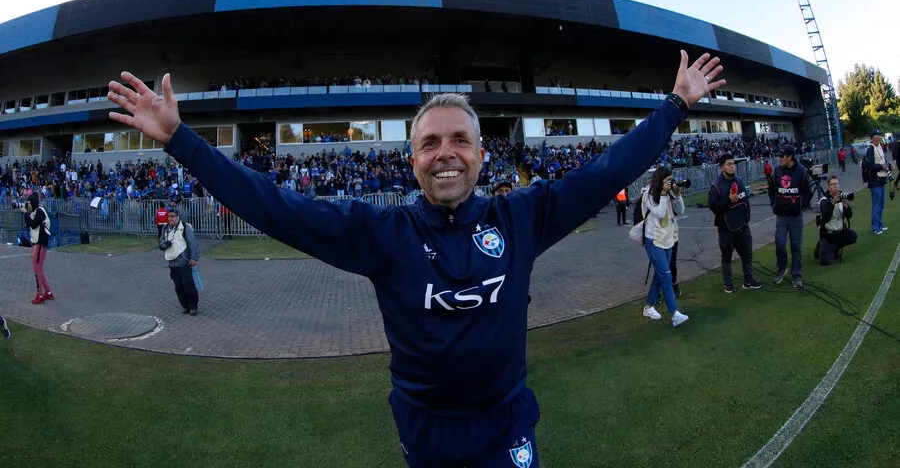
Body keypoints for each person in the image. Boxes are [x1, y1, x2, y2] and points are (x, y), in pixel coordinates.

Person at [107, 50, 725, 467]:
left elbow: (607, 170)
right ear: (413, 160)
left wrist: (675, 106)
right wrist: (185, 142)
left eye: (460, 139)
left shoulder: (522, 217)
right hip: (425, 428)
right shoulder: (383, 233)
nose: (446, 152)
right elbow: (275, 206)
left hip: (507, 422)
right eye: (430, 142)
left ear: (482, 156)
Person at [640, 168, 689, 327]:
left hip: (667, 238)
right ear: (659, 180)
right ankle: (675, 313)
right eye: (667, 180)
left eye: (671, 180)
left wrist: (677, 194)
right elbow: (660, 213)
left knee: (660, 275)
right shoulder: (649, 194)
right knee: (666, 275)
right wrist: (662, 194)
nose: (670, 183)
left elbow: (681, 211)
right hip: (653, 240)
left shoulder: (668, 194)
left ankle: (648, 307)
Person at [708, 154, 761, 293]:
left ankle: (749, 281)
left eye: (733, 164)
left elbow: (745, 200)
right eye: (728, 164)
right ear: (722, 167)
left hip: (742, 225)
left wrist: (746, 216)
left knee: (747, 255)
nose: (732, 166)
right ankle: (728, 284)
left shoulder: (739, 180)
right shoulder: (716, 186)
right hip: (726, 228)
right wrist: (728, 201)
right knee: (727, 258)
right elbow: (713, 207)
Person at [768, 144, 813, 288]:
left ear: (790, 157)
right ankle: (782, 268)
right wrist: (774, 205)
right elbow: (771, 189)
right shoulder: (777, 172)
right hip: (781, 215)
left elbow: (807, 191)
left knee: (796, 246)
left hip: (795, 216)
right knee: (780, 244)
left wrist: (801, 206)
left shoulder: (801, 171)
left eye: (782, 156)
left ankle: (796, 274)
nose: (779, 159)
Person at [159, 207, 201, 315]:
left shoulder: (185, 227)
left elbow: (192, 243)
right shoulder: (165, 228)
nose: (170, 219)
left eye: (172, 216)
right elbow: (161, 242)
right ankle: (185, 306)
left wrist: (193, 258)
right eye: (169, 216)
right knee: (178, 287)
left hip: (184, 261)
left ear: (178, 217)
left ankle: (193, 306)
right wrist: (164, 244)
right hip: (172, 263)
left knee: (188, 285)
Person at [20, 191, 54, 304]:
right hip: (37, 243)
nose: (28, 205)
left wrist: (25, 213)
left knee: (37, 269)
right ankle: (48, 292)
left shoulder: (40, 211)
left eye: (29, 203)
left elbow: (34, 224)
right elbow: (29, 223)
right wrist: (26, 214)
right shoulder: (34, 212)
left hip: (40, 243)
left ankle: (39, 294)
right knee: (38, 269)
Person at [816, 175, 858, 265]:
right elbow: (826, 218)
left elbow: (849, 216)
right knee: (825, 261)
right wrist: (833, 202)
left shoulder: (842, 198)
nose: (835, 186)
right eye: (832, 184)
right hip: (828, 235)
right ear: (829, 187)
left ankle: (836, 247)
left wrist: (846, 207)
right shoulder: (824, 201)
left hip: (840, 232)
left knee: (853, 236)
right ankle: (820, 246)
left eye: (836, 184)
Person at [865, 129, 891, 235]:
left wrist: (889, 166)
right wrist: (882, 167)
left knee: (881, 204)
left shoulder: (879, 146)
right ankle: (875, 227)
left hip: (881, 179)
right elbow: (870, 165)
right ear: (873, 137)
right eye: (878, 135)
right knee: (876, 204)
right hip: (874, 180)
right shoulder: (870, 148)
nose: (880, 137)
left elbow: (883, 160)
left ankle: (880, 224)